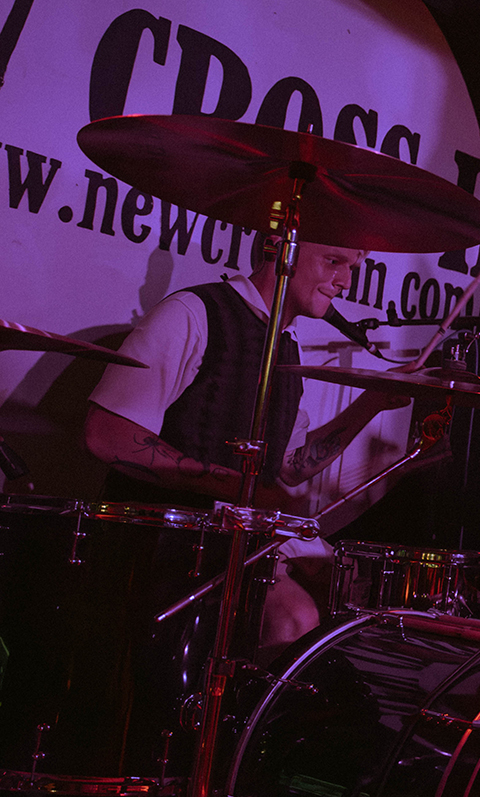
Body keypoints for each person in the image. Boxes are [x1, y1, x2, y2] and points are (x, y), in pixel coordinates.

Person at [84, 243, 405, 651]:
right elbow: (106, 434)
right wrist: (232, 485)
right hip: (159, 550)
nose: (344, 281)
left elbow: (289, 467)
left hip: (232, 549)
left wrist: (372, 401)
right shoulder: (192, 313)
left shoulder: (285, 344)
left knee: (353, 599)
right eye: (333, 261)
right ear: (280, 247)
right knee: (293, 617)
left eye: (353, 267)